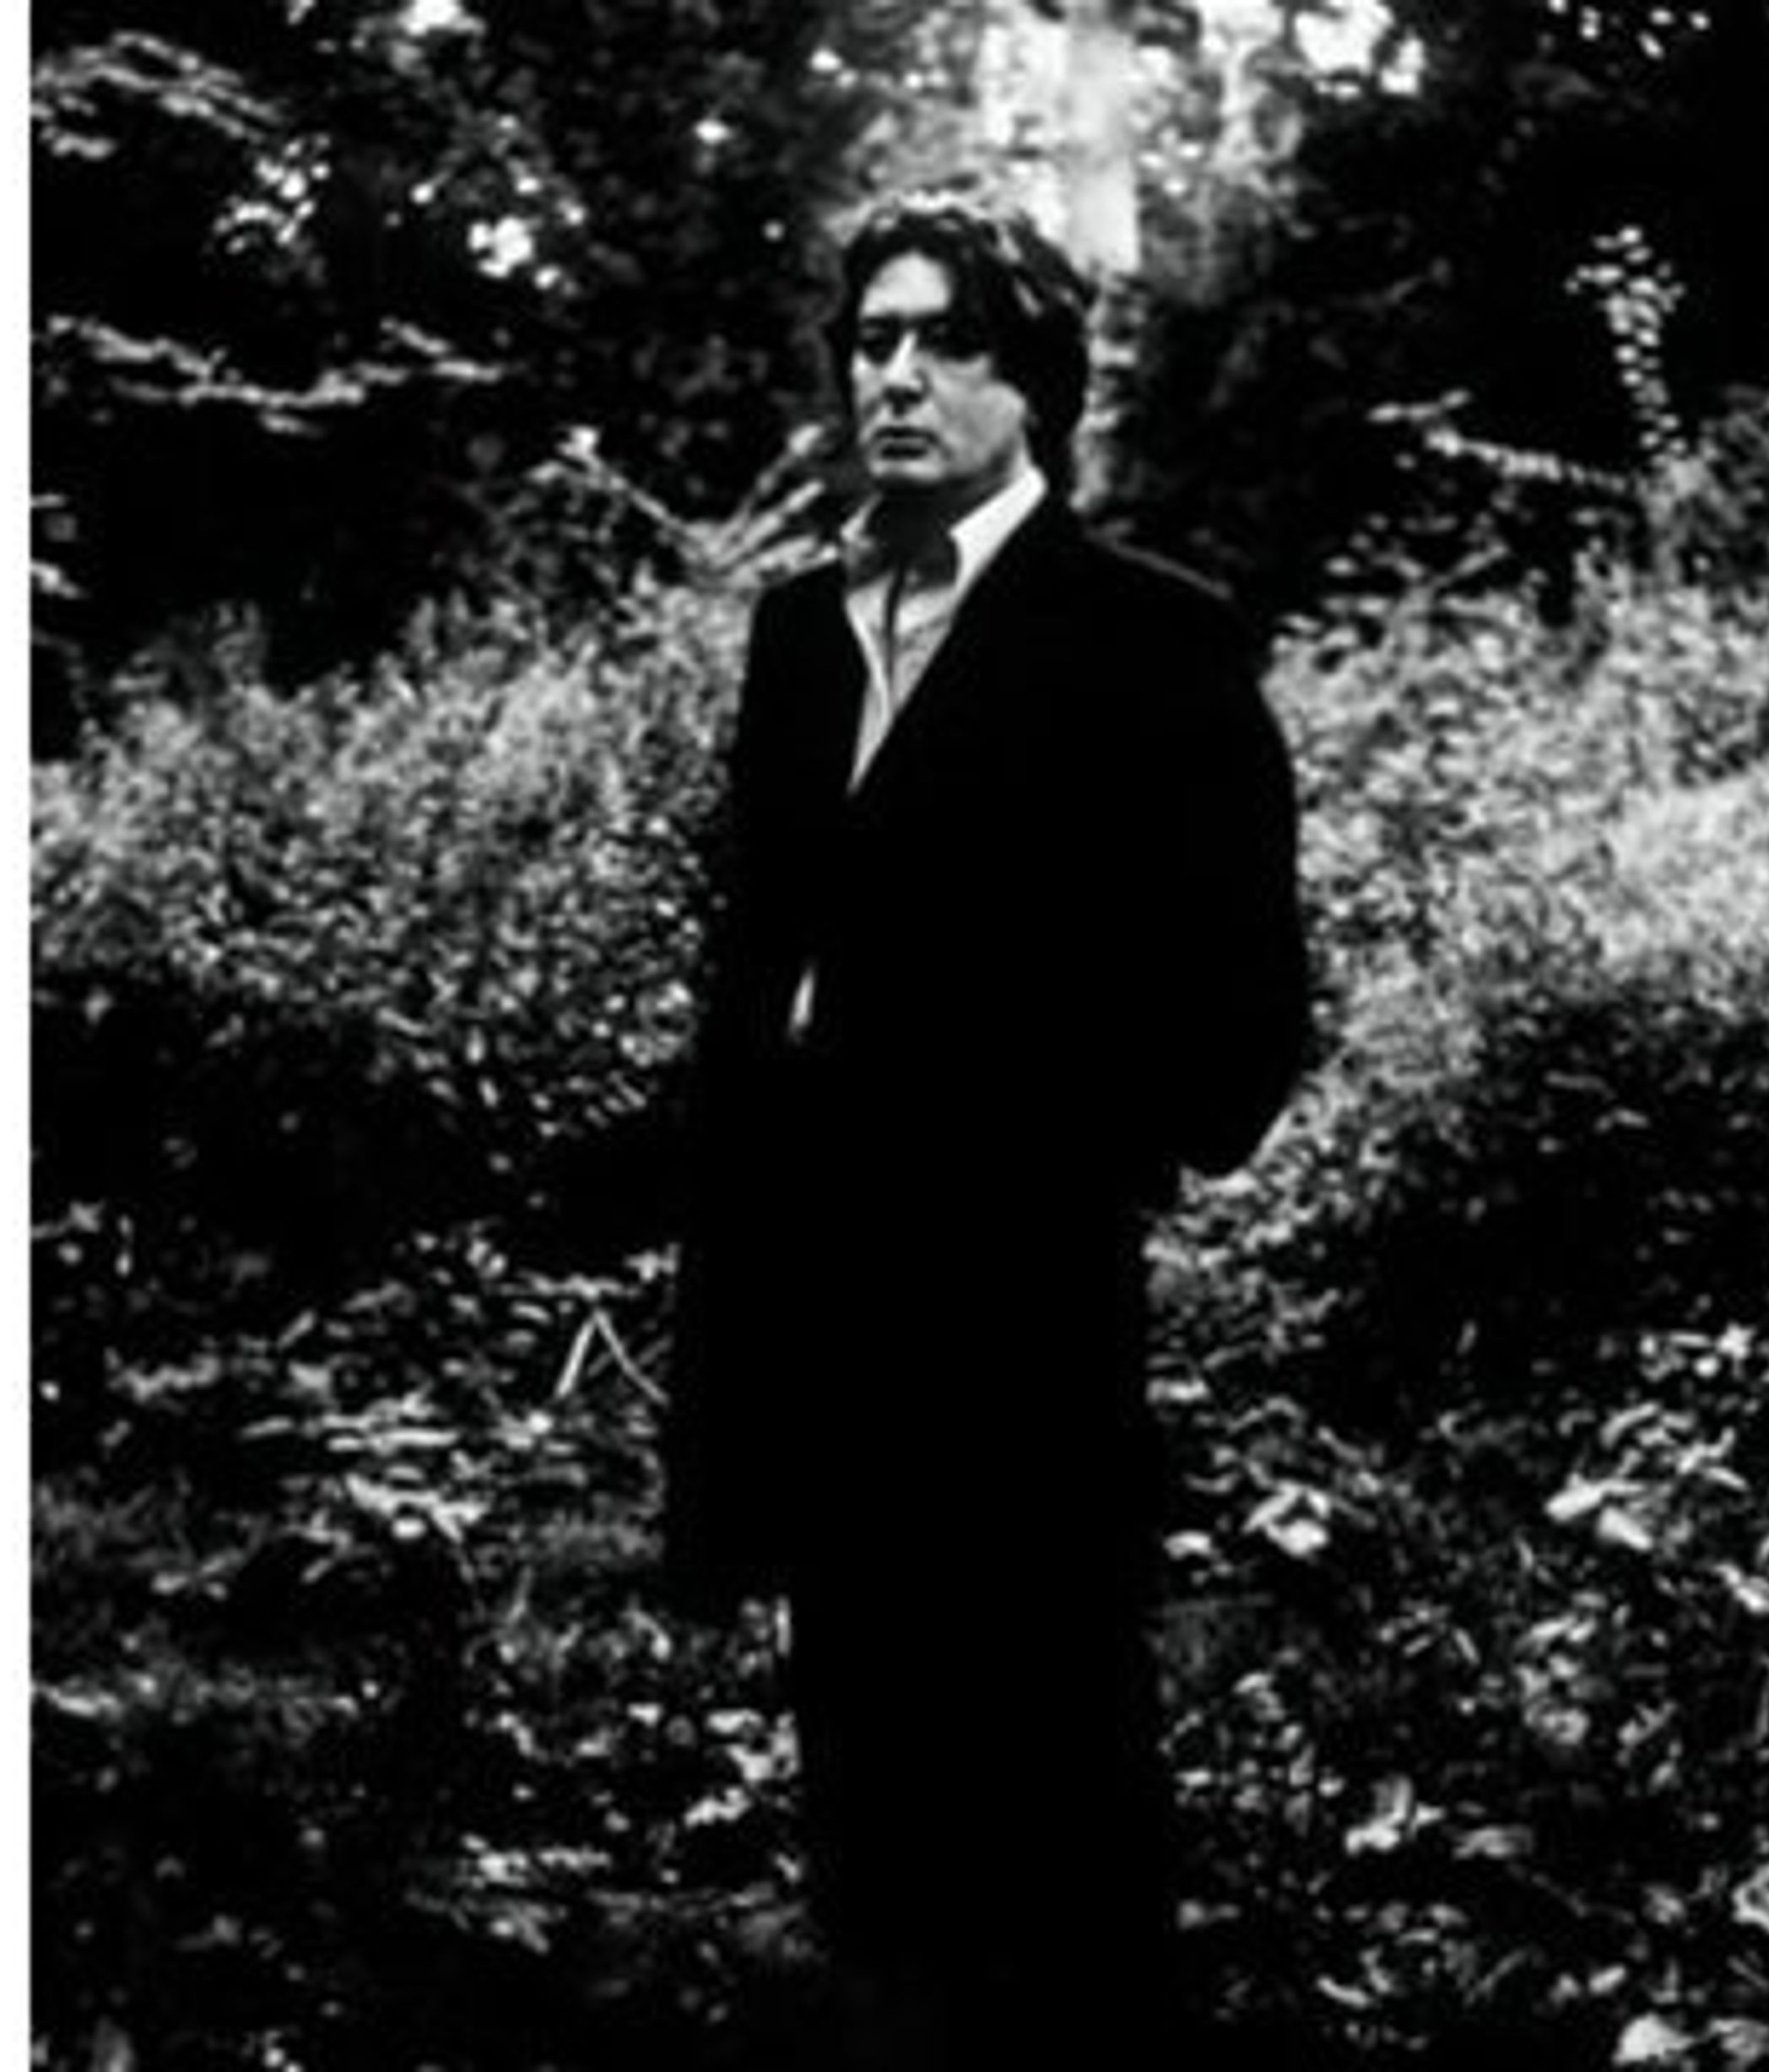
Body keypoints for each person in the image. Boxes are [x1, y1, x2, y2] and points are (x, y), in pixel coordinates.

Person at [665, 192, 1307, 2067]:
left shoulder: (1152, 638)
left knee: (1050, 1774)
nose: (898, 375)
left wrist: (1022, 1121)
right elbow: (758, 968)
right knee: (863, 1777)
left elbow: (1238, 1027)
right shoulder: (800, 635)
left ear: (1036, 381)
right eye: (872, 339)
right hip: (807, 1285)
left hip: (1016, 1303)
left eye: (947, 340)